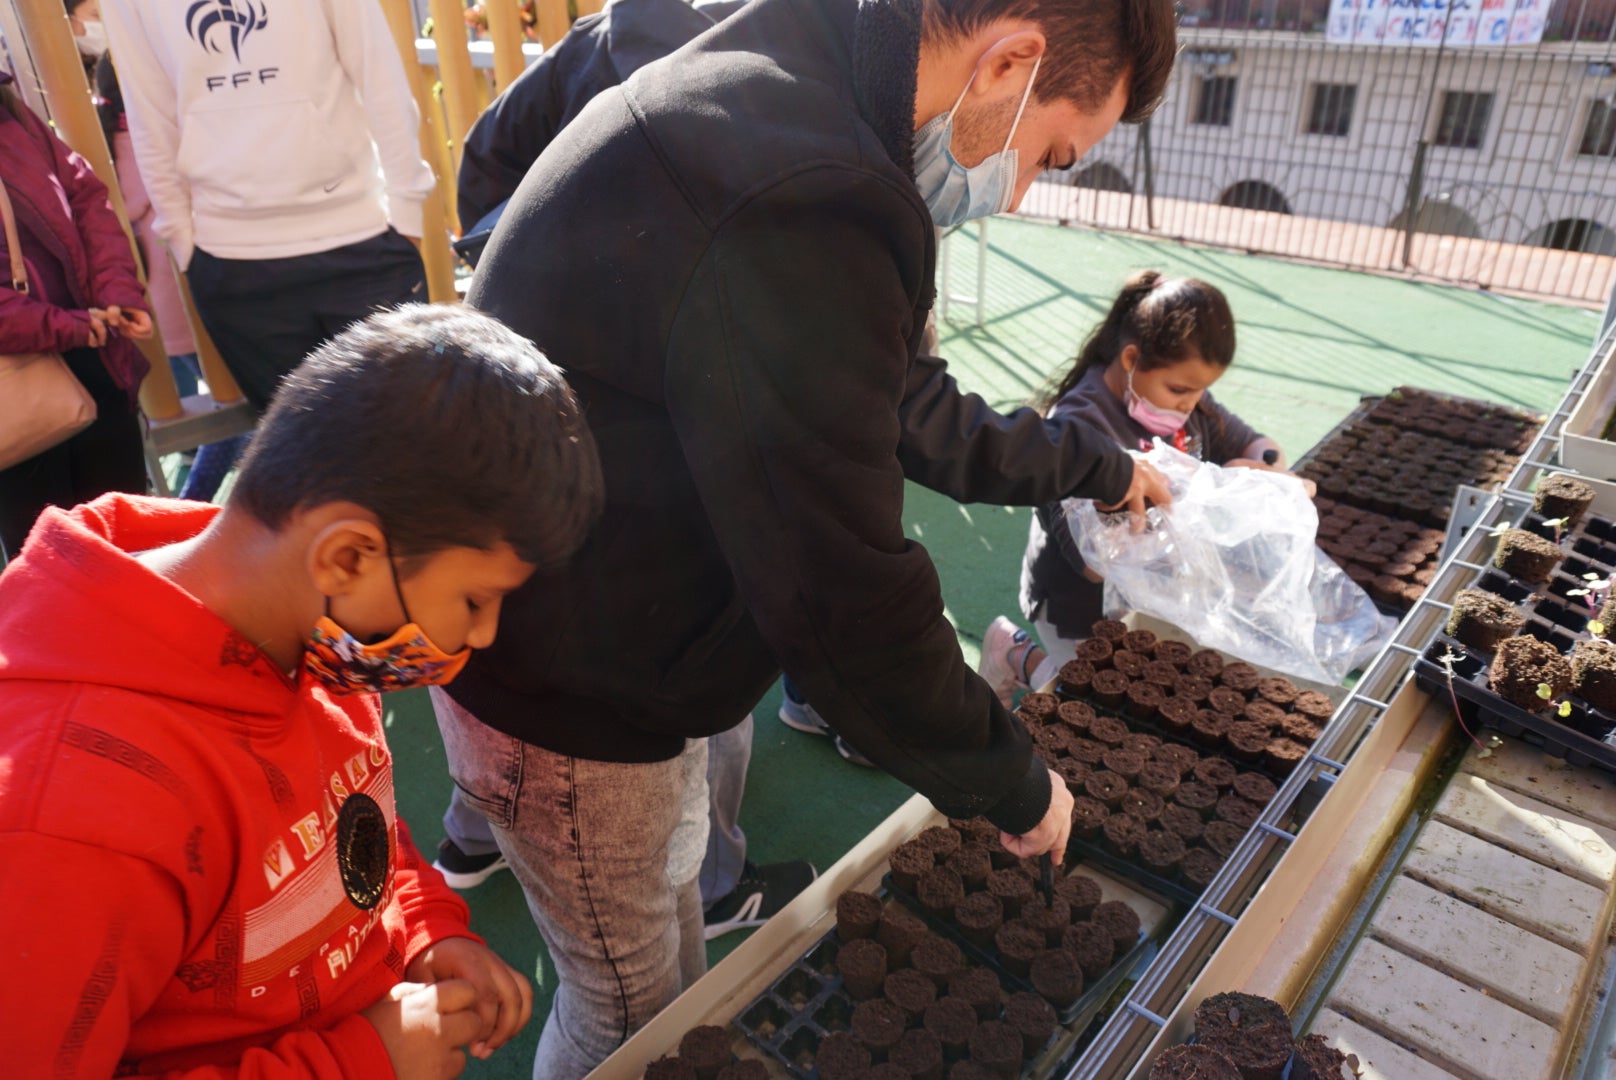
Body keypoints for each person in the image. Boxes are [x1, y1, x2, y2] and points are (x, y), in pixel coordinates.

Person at [449, 0, 1178, 1071]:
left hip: (612, 625)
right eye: (1046, 154)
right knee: (629, 1011)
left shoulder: (806, 76)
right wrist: (1008, 780)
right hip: (569, 685)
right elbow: (839, 591)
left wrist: (1099, 464)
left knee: (662, 957)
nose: (1016, 191)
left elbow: (901, 405)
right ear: (1008, 62)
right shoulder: (804, 184)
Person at [0, 304, 604, 1077]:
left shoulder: (305, 631)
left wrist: (423, 929)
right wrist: (362, 1061)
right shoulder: (71, 821)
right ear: (348, 556)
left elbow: (350, 828)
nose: (483, 636)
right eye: (475, 601)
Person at [436, 0, 821, 935]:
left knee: (526, 617)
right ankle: (718, 880)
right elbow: (493, 156)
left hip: (578, 380)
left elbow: (487, 150)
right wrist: (519, 251)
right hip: (618, 392)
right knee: (704, 623)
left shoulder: (616, 40)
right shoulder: (719, 77)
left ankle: (473, 830)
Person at [979, 271, 1304, 701]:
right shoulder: (1077, 427)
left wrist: (1265, 468)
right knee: (1091, 696)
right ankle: (1014, 655)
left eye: (1202, 390)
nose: (1190, 404)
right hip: (1076, 604)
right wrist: (1185, 500)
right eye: (1179, 389)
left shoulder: (1188, 403)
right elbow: (1091, 562)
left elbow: (1256, 444)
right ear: (1132, 360)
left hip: (1153, 594)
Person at [100, 0, 434, 414]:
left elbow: (378, 71)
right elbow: (148, 109)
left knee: (410, 440)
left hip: (362, 241)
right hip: (231, 263)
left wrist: (405, 211)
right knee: (300, 461)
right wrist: (185, 244)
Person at [0, 68, 151, 561]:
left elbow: (85, 194)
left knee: (132, 542)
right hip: (17, 394)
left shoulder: (14, 111)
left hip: (96, 355)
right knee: (51, 570)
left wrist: (116, 293)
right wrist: (71, 327)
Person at [93, 54, 249, 504]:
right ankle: (191, 502)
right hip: (182, 294)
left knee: (179, 415)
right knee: (233, 407)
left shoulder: (102, 138)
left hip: (144, 304)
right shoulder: (152, 137)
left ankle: (180, 499)